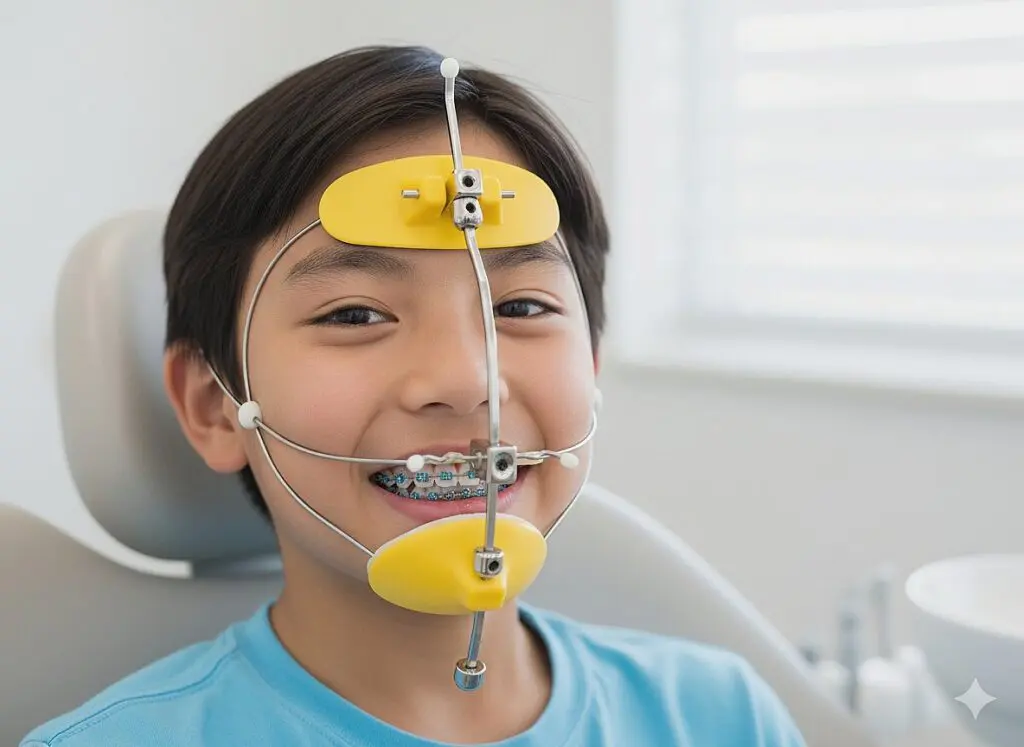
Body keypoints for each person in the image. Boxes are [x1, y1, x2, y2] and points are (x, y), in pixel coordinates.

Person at [21, 45, 807, 746]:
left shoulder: (723, 716)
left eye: (521, 308)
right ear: (214, 404)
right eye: (356, 314)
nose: (469, 380)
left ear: (593, 363)